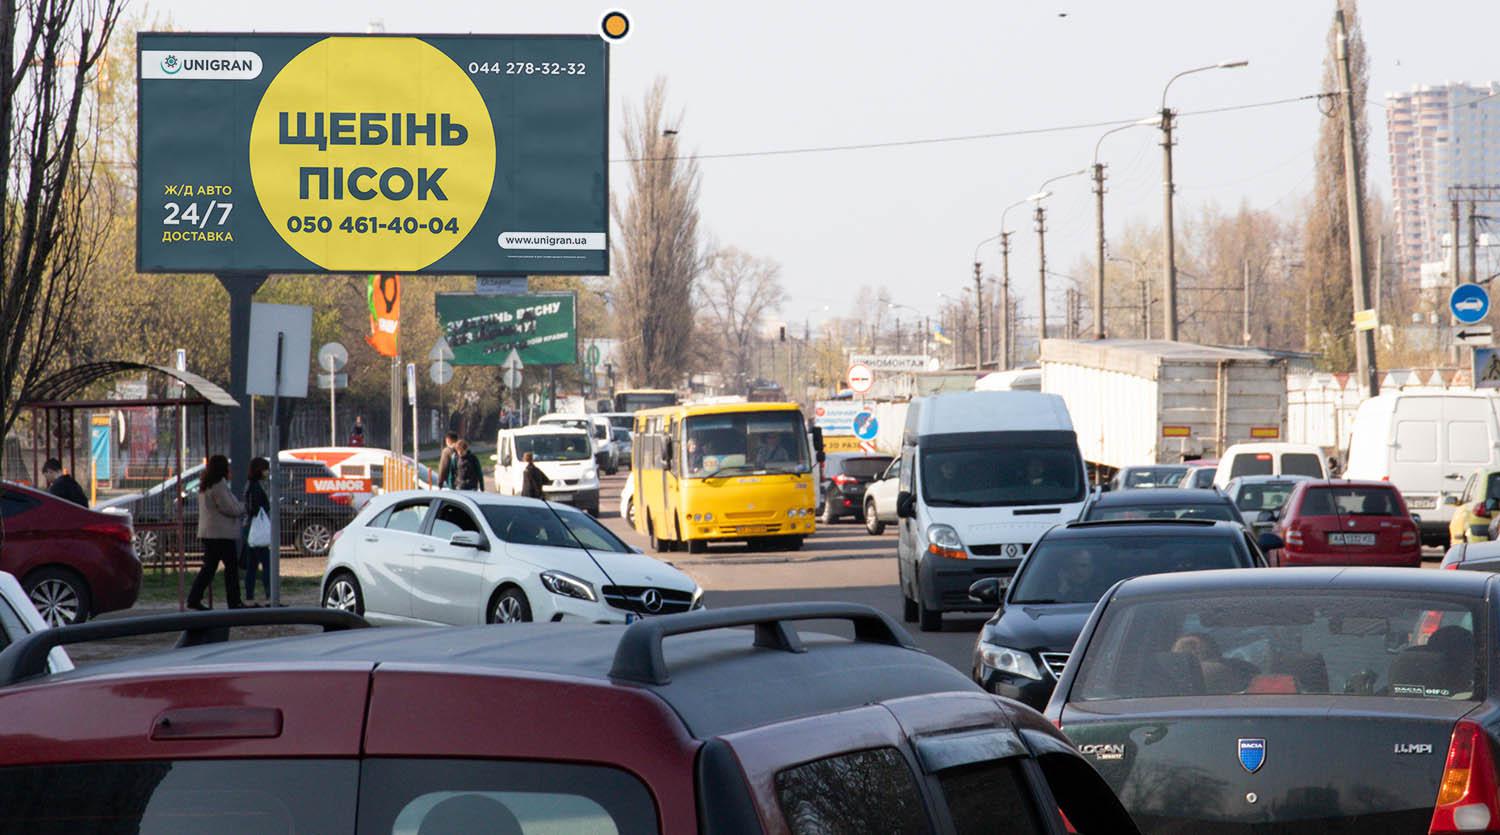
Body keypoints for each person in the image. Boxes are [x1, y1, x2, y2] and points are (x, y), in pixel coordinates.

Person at [187, 454, 244, 611]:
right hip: (221, 534)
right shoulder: (219, 485)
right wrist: (242, 508)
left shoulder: (206, 485)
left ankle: (194, 598)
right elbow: (229, 507)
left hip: (209, 533)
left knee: (209, 568)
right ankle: (234, 601)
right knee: (231, 569)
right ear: (223, 468)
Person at [242, 457, 272, 604]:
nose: (267, 472)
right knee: (267, 564)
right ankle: (270, 596)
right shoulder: (255, 487)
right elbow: (255, 508)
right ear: (260, 470)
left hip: (250, 529)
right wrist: (265, 508)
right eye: (266, 468)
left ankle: (249, 596)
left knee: (252, 566)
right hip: (256, 529)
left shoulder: (250, 485)